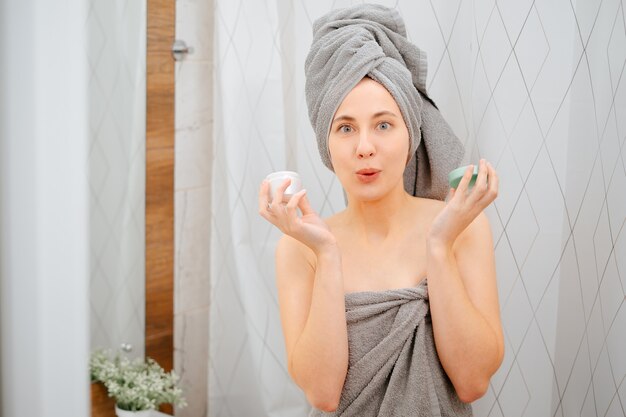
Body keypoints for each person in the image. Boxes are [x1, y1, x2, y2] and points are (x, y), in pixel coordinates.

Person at [258, 5, 503, 416]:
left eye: (384, 125)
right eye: (346, 127)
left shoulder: (462, 227)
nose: (365, 147)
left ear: (411, 135)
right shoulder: (299, 248)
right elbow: (322, 394)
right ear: (327, 146)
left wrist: (439, 245)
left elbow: (473, 380)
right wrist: (326, 254)